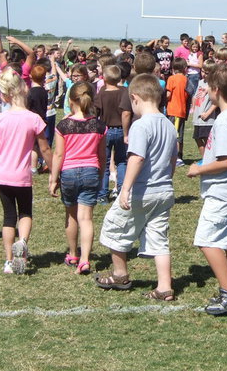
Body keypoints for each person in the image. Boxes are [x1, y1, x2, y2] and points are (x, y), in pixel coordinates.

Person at [96, 73, 177, 300]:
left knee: (115, 226)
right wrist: (167, 179)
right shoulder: (169, 126)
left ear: (135, 98)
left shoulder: (141, 126)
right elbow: (172, 159)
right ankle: (164, 287)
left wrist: (125, 188)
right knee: (159, 238)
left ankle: (120, 274)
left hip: (142, 191)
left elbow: (137, 158)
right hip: (164, 191)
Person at [186, 64, 227, 315]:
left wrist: (198, 169)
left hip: (223, 190)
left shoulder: (225, 121)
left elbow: (226, 161)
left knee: (207, 240)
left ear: (217, 90)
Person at [0, 68, 52, 274]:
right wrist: (54, 171)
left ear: (5, 95)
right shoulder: (34, 119)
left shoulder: (0, 119)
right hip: (22, 175)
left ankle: (9, 260)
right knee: (25, 212)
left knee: (8, 217)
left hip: (3, 174)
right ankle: (23, 242)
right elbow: (44, 148)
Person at [49, 81, 106, 275]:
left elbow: (58, 155)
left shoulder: (64, 125)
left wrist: (53, 178)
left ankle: (73, 253)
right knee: (86, 218)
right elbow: (102, 156)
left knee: (71, 215)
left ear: (71, 100)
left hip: (69, 173)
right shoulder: (99, 125)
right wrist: (100, 174)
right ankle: (85, 260)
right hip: (91, 170)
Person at [94, 64, 132, 204]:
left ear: (104, 78)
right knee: (122, 161)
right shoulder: (124, 91)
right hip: (122, 130)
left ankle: (103, 193)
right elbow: (127, 112)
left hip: (106, 130)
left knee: (104, 162)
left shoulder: (101, 93)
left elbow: (95, 112)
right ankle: (122, 190)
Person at [191, 60, 218, 153]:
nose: (204, 74)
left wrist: (207, 113)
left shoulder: (214, 84)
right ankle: (204, 159)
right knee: (197, 138)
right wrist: (193, 108)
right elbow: (196, 96)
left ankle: (210, 160)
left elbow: (216, 102)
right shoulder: (200, 82)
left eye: (207, 73)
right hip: (198, 117)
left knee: (207, 140)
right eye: (202, 71)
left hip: (207, 119)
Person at [165, 57, 189, 165]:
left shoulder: (171, 79)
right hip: (182, 110)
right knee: (180, 133)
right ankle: (180, 154)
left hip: (173, 110)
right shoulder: (186, 79)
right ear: (184, 68)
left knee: (174, 134)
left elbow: (168, 95)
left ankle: (176, 156)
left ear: (173, 68)